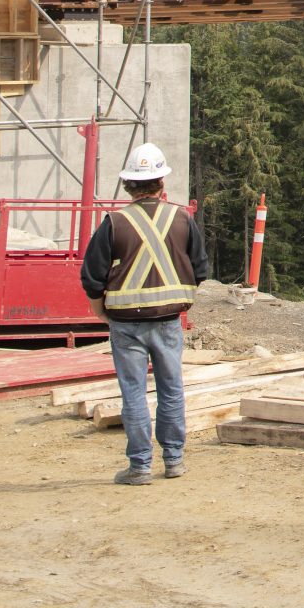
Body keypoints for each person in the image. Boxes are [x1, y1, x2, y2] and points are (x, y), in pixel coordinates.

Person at [81, 143, 211, 485]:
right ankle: (174, 461)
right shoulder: (182, 219)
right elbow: (200, 270)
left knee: (133, 392)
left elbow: (92, 279)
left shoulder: (114, 223)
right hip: (168, 320)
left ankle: (139, 467)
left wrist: (104, 315)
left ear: (129, 185)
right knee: (171, 389)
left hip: (125, 323)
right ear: (161, 184)